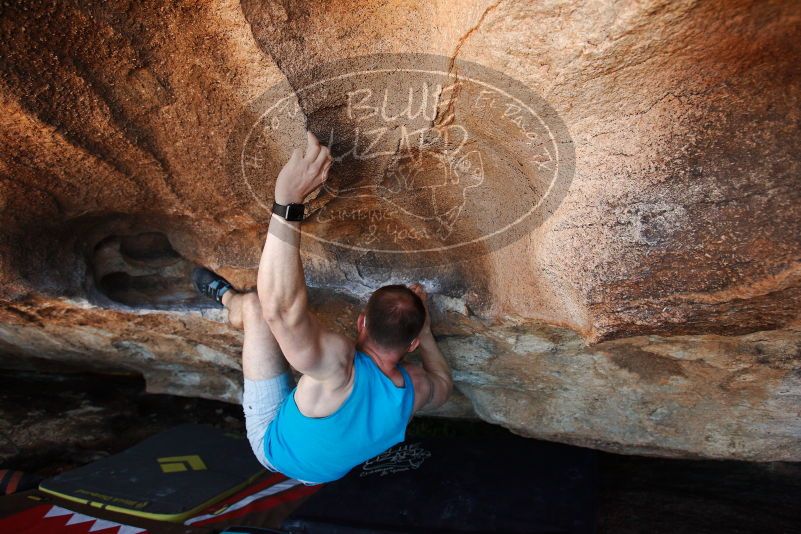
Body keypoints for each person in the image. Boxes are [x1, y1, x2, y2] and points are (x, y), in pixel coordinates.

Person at [193, 131, 453, 485]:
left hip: (274, 446)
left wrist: (288, 200)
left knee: (257, 308)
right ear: (412, 345)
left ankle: (230, 299)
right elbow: (444, 384)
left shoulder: (338, 368)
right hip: (322, 474)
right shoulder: (416, 389)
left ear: (361, 322)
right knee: (306, 374)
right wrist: (425, 331)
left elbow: (281, 312)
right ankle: (238, 306)